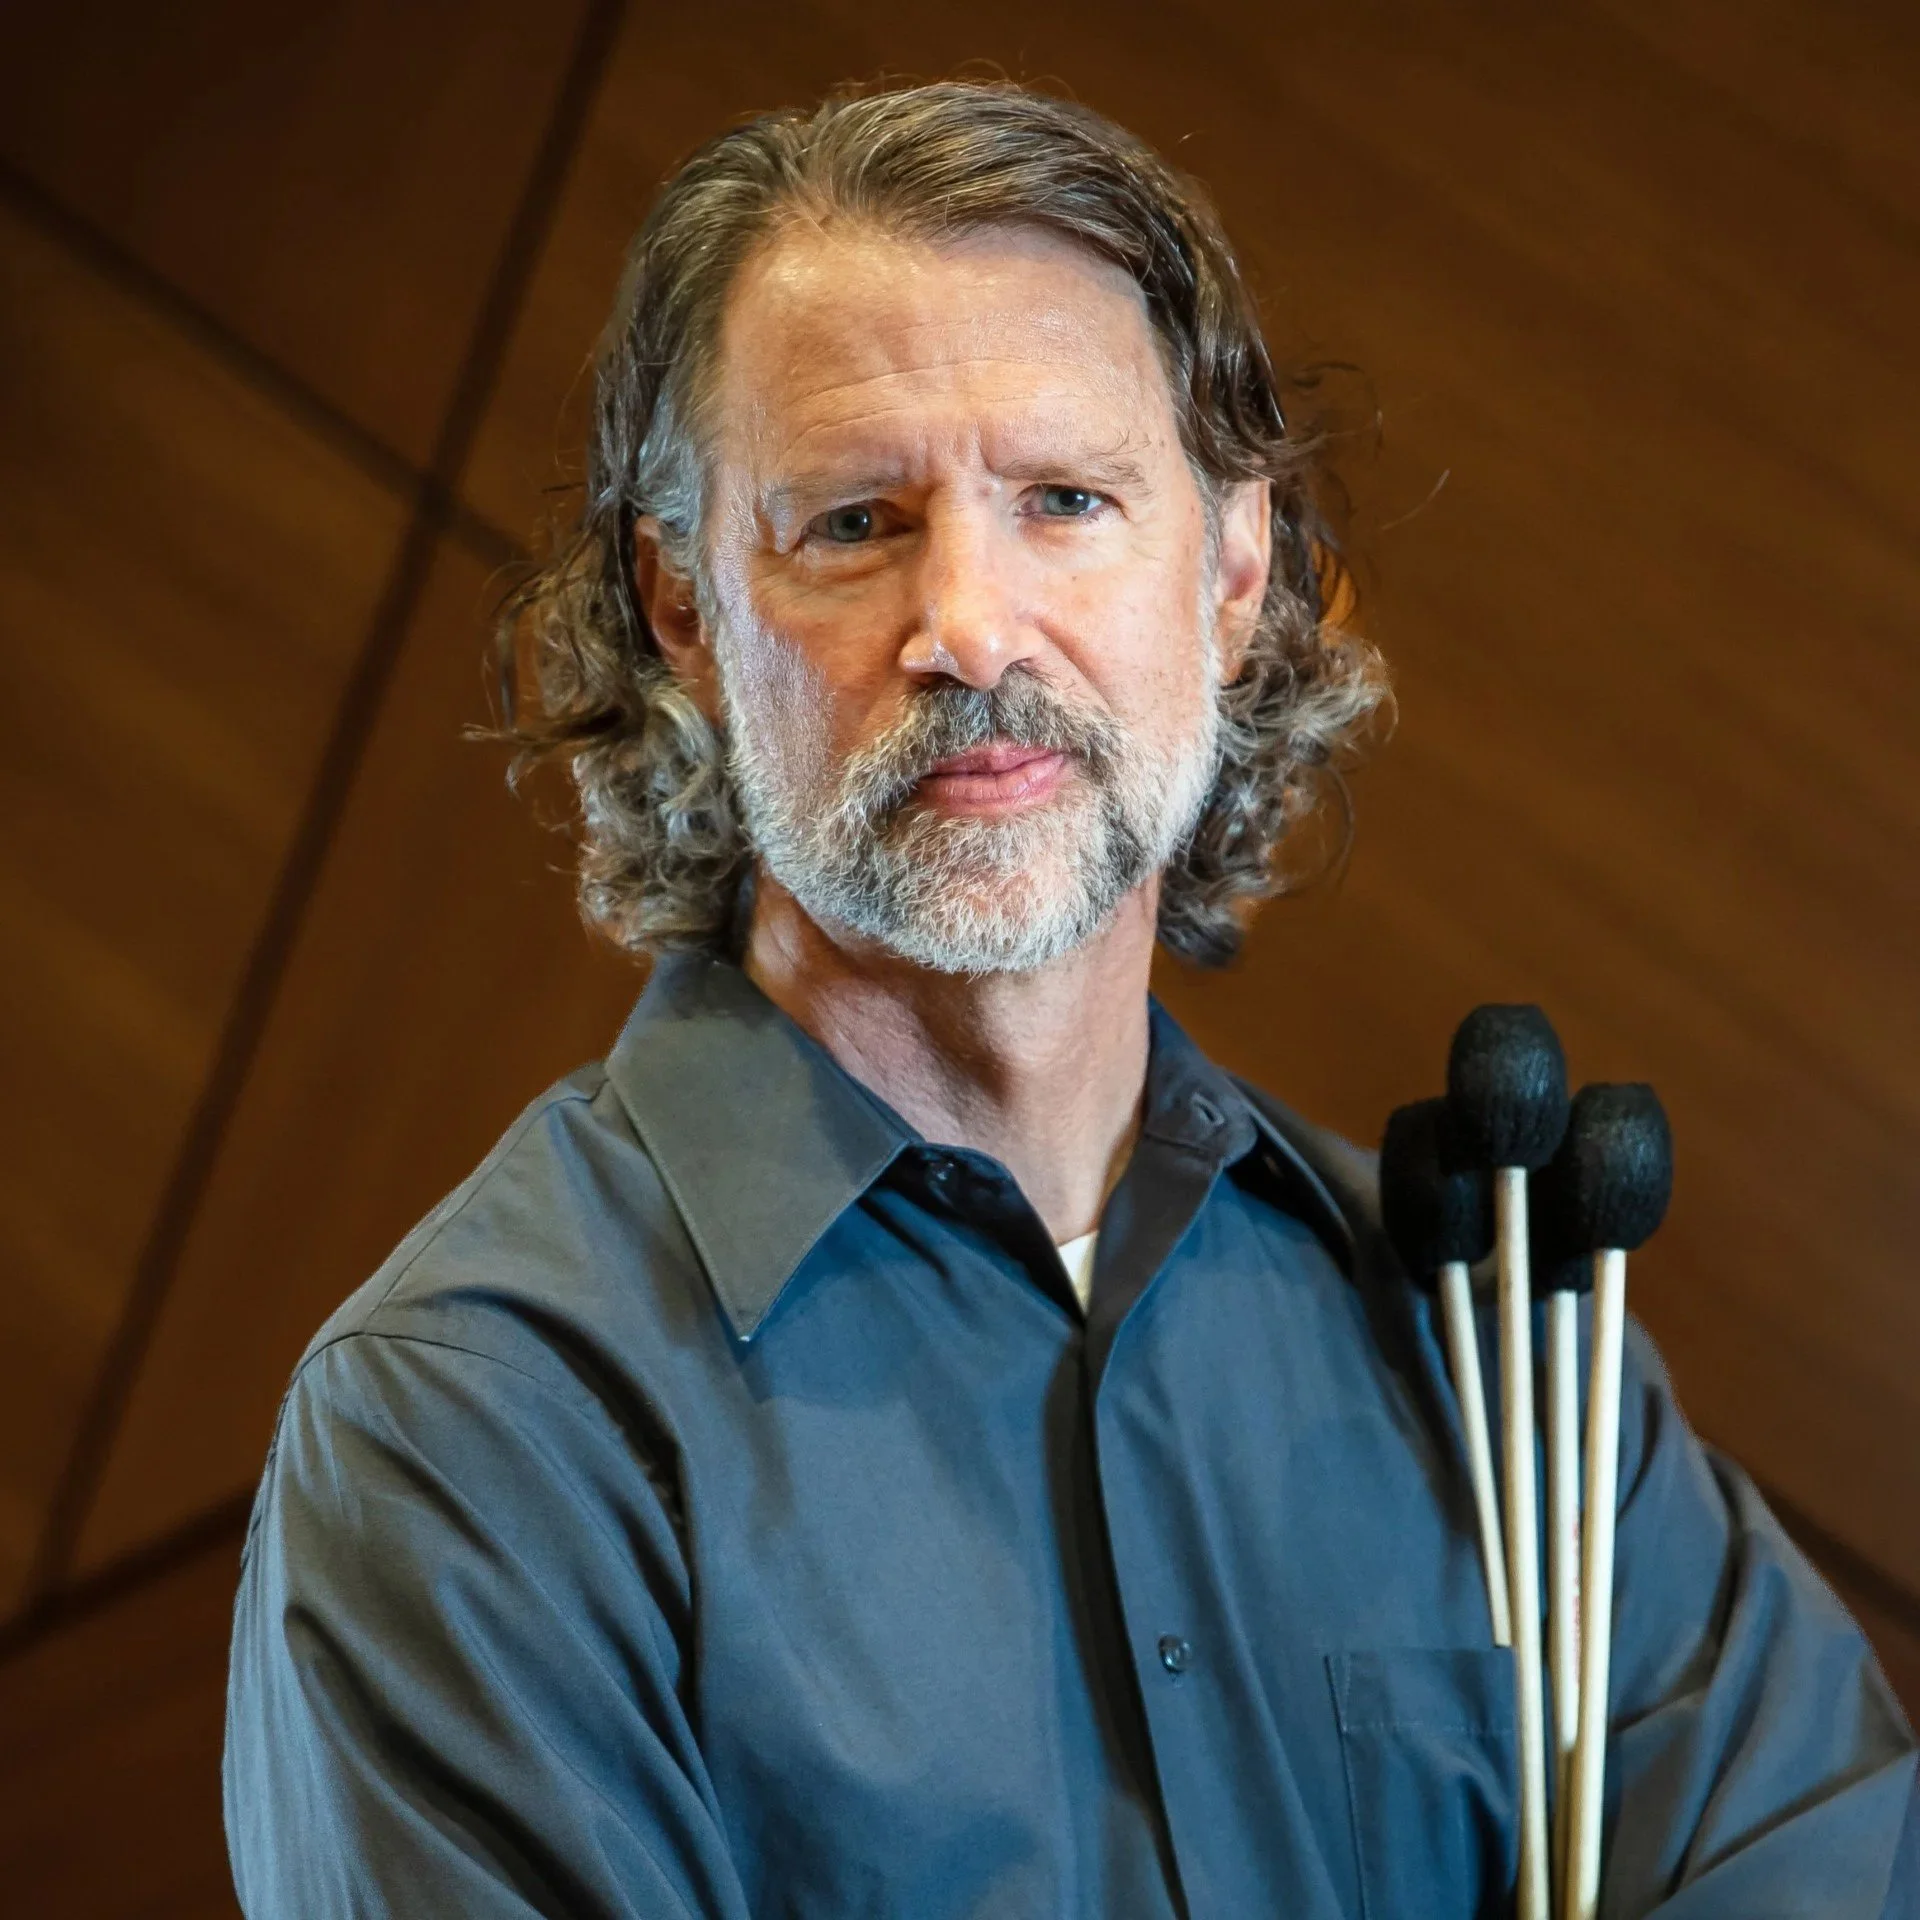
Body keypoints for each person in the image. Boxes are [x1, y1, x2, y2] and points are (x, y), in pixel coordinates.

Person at [223, 80, 1916, 1918]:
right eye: (854, 522)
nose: (970, 622)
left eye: (1065, 500)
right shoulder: (479, 1434)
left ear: (1234, 568)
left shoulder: (1494, 1351)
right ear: (683, 610)